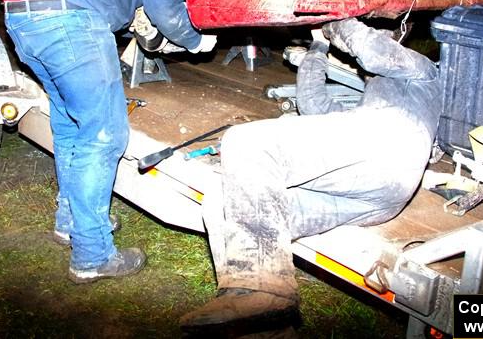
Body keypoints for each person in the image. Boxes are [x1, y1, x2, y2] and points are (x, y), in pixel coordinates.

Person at [180, 17, 440, 330]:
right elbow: (312, 102)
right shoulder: (371, 102)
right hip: (372, 196)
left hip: (389, 151)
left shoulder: (422, 70)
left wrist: (332, 18)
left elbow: (369, 47)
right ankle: (257, 310)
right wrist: (318, 45)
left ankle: (265, 287)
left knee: (246, 140)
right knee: (225, 200)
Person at [4, 0, 216, 283]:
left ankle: (72, 222)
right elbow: (165, 9)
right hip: (66, 14)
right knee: (103, 135)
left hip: (19, 9)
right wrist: (198, 41)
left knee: (72, 126)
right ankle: (92, 254)